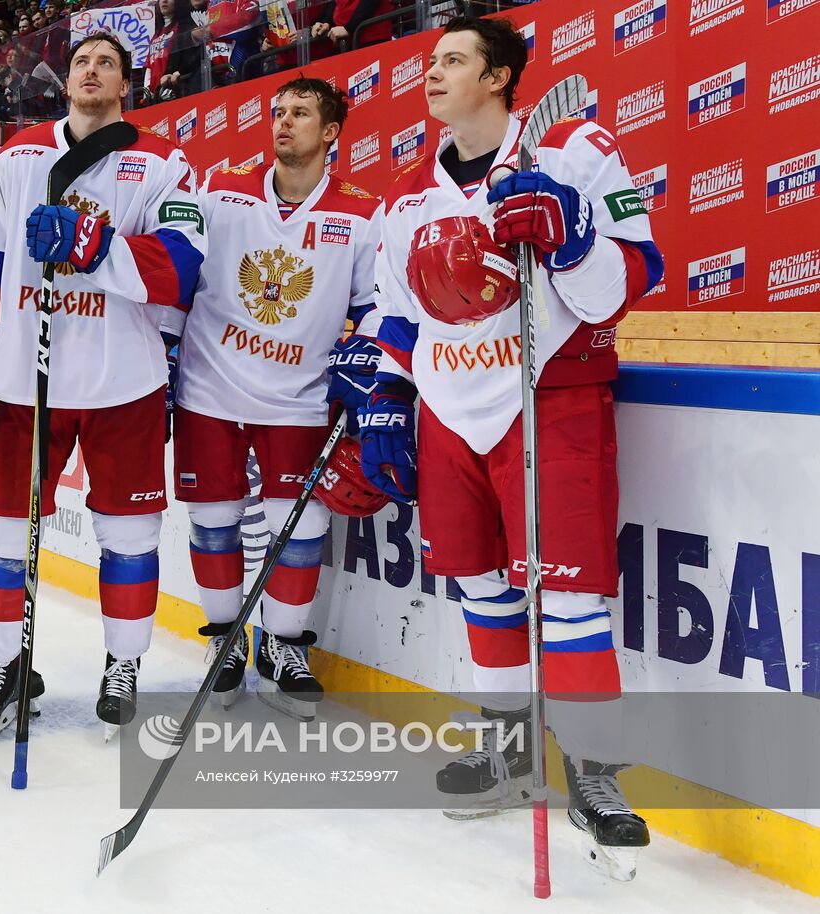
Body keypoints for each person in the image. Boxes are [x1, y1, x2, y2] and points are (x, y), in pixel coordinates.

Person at [359, 15, 663, 872]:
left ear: (498, 78)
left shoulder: (574, 151)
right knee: (483, 593)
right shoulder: (409, 194)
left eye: (453, 60)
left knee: (568, 601)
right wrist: (383, 389)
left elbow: (635, 277)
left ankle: (595, 775)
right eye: (430, 60)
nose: (433, 72)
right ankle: (506, 749)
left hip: (550, 399)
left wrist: (571, 236)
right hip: (450, 411)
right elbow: (393, 315)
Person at [0, 32, 205, 743]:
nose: (91, 71)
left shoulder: (163, 162)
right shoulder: (16, 156)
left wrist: (96, 248)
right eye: (81, 63)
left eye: (107, 65)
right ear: (65, 82)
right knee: (1, 534)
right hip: (23, 383)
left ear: (127, 84)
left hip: (122, 379)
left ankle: (122, 663)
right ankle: (3, 667)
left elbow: (182, 266)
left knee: (129, 536)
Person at [174, 76, 383, 719]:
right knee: (213, 522)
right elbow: (179, 269)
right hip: (210, 388)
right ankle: (227, 645)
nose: (283, 122)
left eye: (301, 114)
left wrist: (366, 353)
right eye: (278, 112)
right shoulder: (223, 191)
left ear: (331, 133)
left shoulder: (360, 211)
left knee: (305, 526)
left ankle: (284, 645)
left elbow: (377, 305)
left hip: (300, 395)